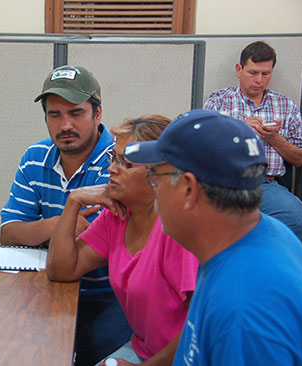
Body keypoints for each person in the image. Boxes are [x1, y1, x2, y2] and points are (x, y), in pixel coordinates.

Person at [124, 109, 302, 365]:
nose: (153, 190)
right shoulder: (258, 234)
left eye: (155, 177)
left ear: (188, 189)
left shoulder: (242, 314)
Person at [0, 65, 131, 365]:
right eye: (54, 115)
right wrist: (60, 224)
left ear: (98, 114)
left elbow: (88, 250)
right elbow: (9, 233)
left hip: (106, 294)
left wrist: (42, 232)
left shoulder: (120, 161)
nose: (65, 125)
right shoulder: (35, 157)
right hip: (44, 285)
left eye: (76, 113)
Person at [47, 115, 199, 366]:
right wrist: (73, 202)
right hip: (145, 350)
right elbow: (61, 269)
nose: (111, 169)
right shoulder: (117, 215)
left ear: (158, 173)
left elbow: (201, 329)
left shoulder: (177, 229)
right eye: (112, 157)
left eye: (124, 162)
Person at [203, 40, 302, 248]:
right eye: (253, 73)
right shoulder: (219, 101)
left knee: (301, 222)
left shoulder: (286, 106)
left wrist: (274, 138)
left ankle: (286, 275)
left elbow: (300, 159)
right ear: (239, 69)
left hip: (263, 184)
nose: (259, 80)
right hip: (223, 180)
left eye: (265, 74)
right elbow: (204, 144)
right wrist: (239, 128)